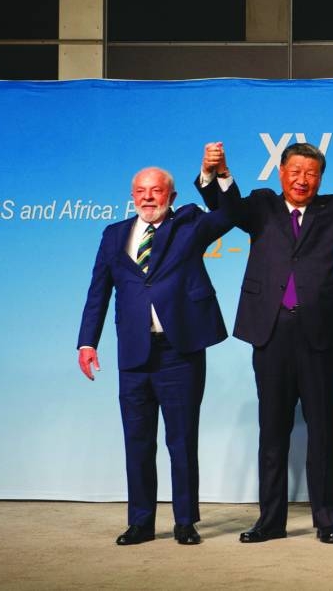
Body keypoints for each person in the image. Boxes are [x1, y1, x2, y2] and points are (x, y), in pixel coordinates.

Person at [197, 141, 333, 544]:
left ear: (321, 178)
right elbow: (227, 207)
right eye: (295, 171)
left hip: (321, 336)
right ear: (281, 173)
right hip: (270, 334)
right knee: (272, 432)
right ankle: (270, 521)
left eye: (311, 173)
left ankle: (327, 521)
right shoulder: (262, 206)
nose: (302, 179)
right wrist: (216, 172)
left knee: (324, 432)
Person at [77, 166, 233, 546]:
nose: (148, 197)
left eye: (157, 191)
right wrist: (86, 342)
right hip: (133, 354)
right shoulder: (114, 235)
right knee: (137, 441)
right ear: (132, 195)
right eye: (141, 191)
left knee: (181, 441)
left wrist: (219, 176)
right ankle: (141, 522)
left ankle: (184, 522)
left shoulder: (189, 224)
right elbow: (98, 291)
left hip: (179, 351)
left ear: (171, 197)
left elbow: (229, 215)